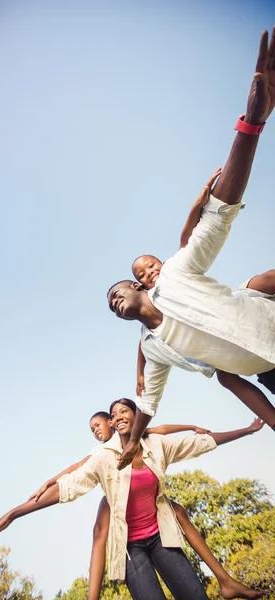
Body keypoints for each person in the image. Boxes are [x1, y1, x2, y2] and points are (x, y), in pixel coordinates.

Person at [107, 27, 275, 467]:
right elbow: (148, 403)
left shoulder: (178, 271)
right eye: (110, 305)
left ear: (142, 285)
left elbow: (218, 214)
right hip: (269, 371)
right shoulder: (153, 349)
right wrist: (129, 445)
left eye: (116, 291)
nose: (114, 301)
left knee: (258, 281)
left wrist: (252, 123)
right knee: (225, 377)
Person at [0, 400, 266, 600]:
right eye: (114, 414)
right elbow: (70, 484)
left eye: (123, 410)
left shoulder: (156, 443)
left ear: (136, 415)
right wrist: (14, 513)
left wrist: (247, 431)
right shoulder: (103, 456)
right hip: (130, 549)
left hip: (160, 537)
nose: (118, 416)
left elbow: (202, 443)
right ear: (113, 424)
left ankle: (226, 582)